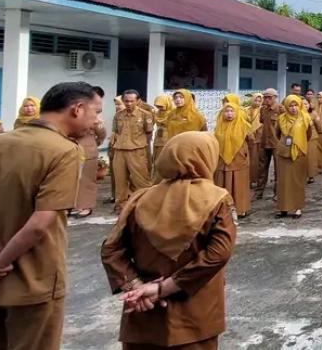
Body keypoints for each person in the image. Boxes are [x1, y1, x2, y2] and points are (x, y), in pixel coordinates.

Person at [0, 82, 102, 349]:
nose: (97, 121)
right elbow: (39, 225)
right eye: (96, 112)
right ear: (78, 109)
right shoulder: (64, 151)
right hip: (32, 281)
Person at [100, 132, 236, 350]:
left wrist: (136, 286)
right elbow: (218, 254)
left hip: (143, 313)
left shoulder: (140, 198)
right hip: (195, 316)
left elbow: (111, 249)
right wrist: (164, 288)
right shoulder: (216, 200)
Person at [111, 89, 155, 212]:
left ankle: (146, 204)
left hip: (137, 151)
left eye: (131, 101)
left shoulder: (145, 115)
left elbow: (148, 133)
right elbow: (116, 132)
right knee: (120, 180)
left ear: (137, 101)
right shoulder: (118, 115)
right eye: (126, 101)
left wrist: (140, 145)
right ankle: (121, 205)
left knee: (141, 179)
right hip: (120, 150)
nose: (129, 103)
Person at [214, 95, 253, 219]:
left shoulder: (243, 125)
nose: (229, 114)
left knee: (238, 184)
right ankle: (223, 209)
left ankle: (240, 208)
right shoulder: (219, 125)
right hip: (222, 160)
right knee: (223, 183)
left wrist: (243, 152)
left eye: (232, 111)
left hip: (238, 160)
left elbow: (251, 140)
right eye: (226, 111)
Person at [273, 95, 309, 219]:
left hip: (299, 153)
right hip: (284, 154)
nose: (293, 108)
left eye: (295, 105)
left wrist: (299, 143)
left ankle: (297, 208)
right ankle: (283, 208)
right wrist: (285, 144)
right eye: (290, 106)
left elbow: (308, 134)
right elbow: (277, 134)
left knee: (297, 182)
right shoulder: (281, 118)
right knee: (283, 183)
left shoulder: (305, 118)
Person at [73, 115, 107, 219]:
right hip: (71, 150)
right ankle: (73, 205)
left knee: (87, 180)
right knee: (71, 180)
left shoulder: (93, 117)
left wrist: (95, 143)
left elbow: (101, 133)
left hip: (88, 150)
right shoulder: (67, 114)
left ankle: (86, 206)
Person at [151, 94, 173, 181]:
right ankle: (156, 180)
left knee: (165, 161)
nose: (159, 108)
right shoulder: (156, 113)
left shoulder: (173, 114)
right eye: (158, 106)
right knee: (156, 160)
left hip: (168, 139)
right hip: (158, 139)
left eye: (161, 106)